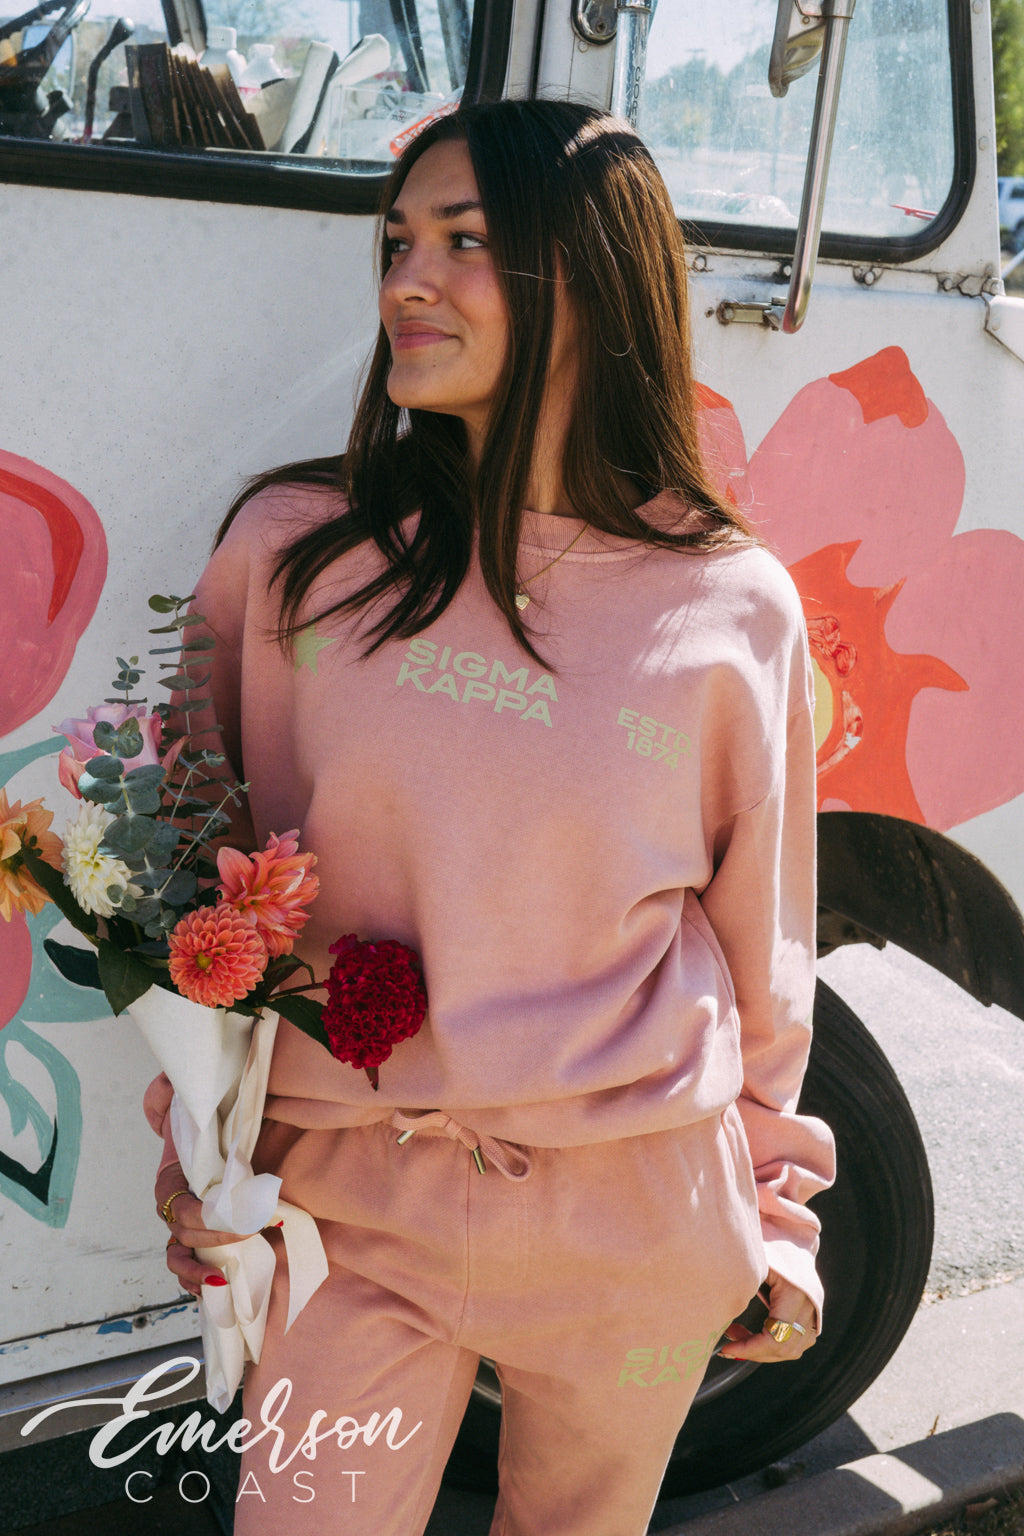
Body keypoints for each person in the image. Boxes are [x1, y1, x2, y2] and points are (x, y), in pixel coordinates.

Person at [149, 98, 835, 1536]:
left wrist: (776, 1221)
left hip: (639, 1216)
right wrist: (199, 1157)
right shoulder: (293, 557)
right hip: (350, 1214)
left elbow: (759, 948)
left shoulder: (734, 603)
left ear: (594, 275)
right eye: (397, 242)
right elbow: (195, 899)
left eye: (465, 241)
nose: (407, 280)